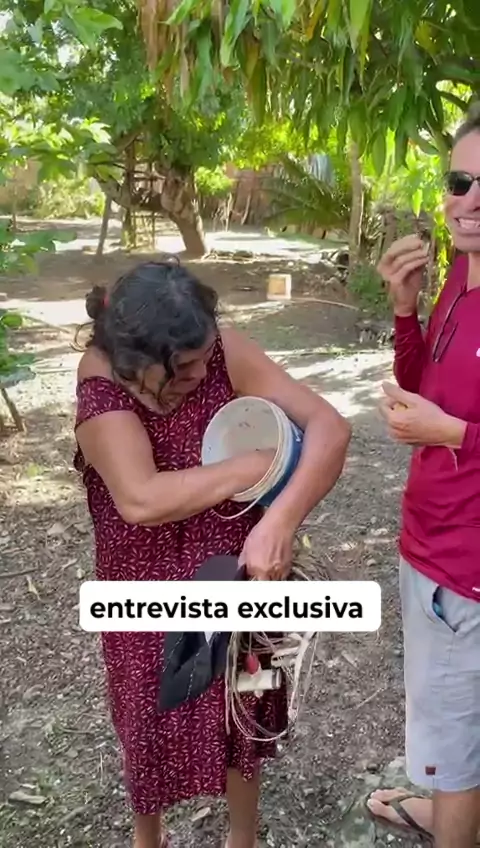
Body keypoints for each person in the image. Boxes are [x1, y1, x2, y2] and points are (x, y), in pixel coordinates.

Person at [73, 259, 351, 848]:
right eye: (185, 365)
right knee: (147, 715)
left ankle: (241, 837)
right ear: (136, 360)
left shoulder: (218, 349)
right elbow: (142, 499)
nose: (205, 370)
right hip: (145, 584)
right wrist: (253, 466)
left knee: (243, 705)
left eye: (206, 354)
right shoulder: (101, 380)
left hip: (241, 570)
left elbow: (330, 427)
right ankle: (149, 838)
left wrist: (280, 520)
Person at [372, 108, 480, 848]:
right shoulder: (463, 272)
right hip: (428, 538)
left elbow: (447, 420)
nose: (471, 199)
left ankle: (452, 818)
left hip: (463, 568)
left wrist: (452, 435)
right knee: (454, 727)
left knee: (456, 753)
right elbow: (424, 383)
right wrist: (405, 309)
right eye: (460, 180)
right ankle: (444, 809)